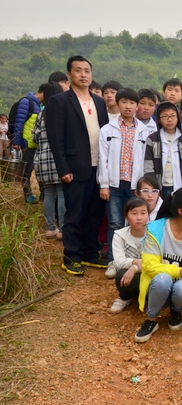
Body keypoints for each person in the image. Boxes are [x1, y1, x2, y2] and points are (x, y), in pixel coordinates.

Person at [47, 55, 110, 275]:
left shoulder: (99, 102)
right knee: (75, 214)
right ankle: (71, 256)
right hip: (75, 168)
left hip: (99, 168)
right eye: (78, 70)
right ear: (69, 74)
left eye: (87, 71)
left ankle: (90, 253)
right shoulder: (60, 101)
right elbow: (56, 138)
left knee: (95, 213)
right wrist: (63, 168)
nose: (83, 75)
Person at [134, 186, 182, 342]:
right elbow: (149, 266)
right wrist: (181, 271)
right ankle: (151, 318)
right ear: (181, 211)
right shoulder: (156, 229)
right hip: (158, 285)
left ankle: (176, 310)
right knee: (163, 279)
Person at [98, 88, 150, 270]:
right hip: (114, 184)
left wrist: (143, 186)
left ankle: (134, 260)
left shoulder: (144, 131)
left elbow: (145, 160)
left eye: (132, 103)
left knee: (135, 222)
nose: (128, 106)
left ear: (137, 106)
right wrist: (104, 184)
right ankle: (114, 261)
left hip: (135, 185)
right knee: (115, 223)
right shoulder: (107, 129)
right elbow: (103, 158)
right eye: (124, 102)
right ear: (117, 103)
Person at [33, 82, 64, 239]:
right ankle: (63, 229)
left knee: (49, 194)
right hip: (60, 159)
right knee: (62, 194)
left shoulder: (41, 114)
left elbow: (35, 136)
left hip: (43, 160)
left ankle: (50, 228)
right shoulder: (63, 112)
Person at [144, 102, 182, 197]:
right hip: (160, 185)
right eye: (165, 116)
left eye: (173, 116)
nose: (169, 119)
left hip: (181, 184)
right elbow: (148, 165)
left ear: (178, 117)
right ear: (159, 120)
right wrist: (152, 185)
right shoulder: (153, 139)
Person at [109, 197, 149, 314]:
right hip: (130, 275)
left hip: (150, 273)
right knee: (121, 275)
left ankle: (150, 299)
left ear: (148, 215)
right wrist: (135, 262)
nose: (139, 218)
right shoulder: (119, 235)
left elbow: (157, 261)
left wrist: (134, 267)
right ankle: (125, 297)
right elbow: (119, 262)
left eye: (143, 213)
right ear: (126, 216)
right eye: (134, 213)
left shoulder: (154, 234)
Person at [11, 84, 43, 204]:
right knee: (26, 171)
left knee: (37, 169)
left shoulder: (38, 105)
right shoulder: (26, 102)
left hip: (35, 143)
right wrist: (16, 140)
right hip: (26, 143)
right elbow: (19, 121)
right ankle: (28, 195)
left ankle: (42, 194)